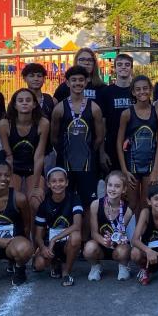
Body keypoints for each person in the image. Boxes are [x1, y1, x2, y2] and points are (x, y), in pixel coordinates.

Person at [50, 65, 106, 212]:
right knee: (64, 201)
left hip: (87, 165)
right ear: (67, 83)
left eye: (81, 80)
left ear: (86, 81)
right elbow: (54, 137)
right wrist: (65, 152)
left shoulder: (94, 108)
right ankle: (66, 233)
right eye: (73, 80)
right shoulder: (59, 109)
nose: (77, 83)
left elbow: (100, 137)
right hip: (65, 163)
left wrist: (87, 152)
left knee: (88, 204)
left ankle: (87, 235)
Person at [117, 75, 158, 212]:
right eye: (138, 89)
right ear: (133, 92)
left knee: (146, 203)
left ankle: (144, 233)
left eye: (145, 88)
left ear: (150, 89)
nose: (142, 92)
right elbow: (119, 144)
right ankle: (133, 233)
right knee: (132, 204)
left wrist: (155, 170)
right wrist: (125, 170)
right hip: (132, 165)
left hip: (150, 165)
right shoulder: (127, 114)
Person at [0, 88, 49, 211]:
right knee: (14, 201)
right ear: (15, 105)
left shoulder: (43, 123)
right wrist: (8, 178)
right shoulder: (5, 124)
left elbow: (39, 156)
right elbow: (8, 156)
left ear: (34, 104)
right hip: (14, 166)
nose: (24, 103)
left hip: (33, 165)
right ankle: (19, 230)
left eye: (28, 100)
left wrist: (36, 187)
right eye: (20, 100)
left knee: (35, 202)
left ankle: (34, 230)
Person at [33, 166, 84, 286]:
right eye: (54, 181)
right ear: (48, 184)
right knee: (39, 265)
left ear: (67, 182)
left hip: (67, 243)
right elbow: (38, 235)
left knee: (76, 236)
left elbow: (77, 225)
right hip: (51, 246)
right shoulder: (44, 205)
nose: (58, 184)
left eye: (61, 181)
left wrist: (54, 239)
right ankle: (54, 262)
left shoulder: (74, 198)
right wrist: (42, 247)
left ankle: (66, 272)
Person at [84, 170, 134, 281]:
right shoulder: (96, 205)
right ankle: (96, 266)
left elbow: (120, 232)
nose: (112, 189)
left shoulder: (128, 211)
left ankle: (123, 266)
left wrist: (114, 241)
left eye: (117, 186)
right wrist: (104, 242)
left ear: (124, 189)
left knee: (123, 251)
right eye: (110, 185)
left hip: (116, 245)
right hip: (100, 244)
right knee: (89, 248)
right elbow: (94, 233)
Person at [99, 52, 134, 171]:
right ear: (115, 68)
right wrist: (102, 152)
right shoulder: (106, 92)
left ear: (131, 68)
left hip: (134, 144)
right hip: (112, 143)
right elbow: (102, 124)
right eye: (120, 64)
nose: (123, 67)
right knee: (114, 181)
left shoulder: (138, 91)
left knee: (132, 183)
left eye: (127, 64)